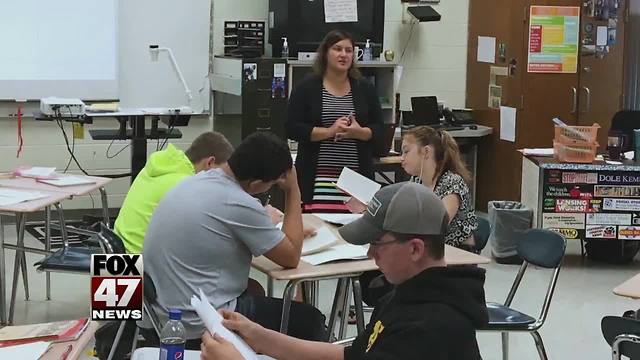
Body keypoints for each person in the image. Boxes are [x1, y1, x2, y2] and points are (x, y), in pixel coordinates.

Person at [199, 182, 489, 360]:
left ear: (415, 249)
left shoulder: (430, 329)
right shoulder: (405, 298)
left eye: (377, 243)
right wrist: (261, 337)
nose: (370, 253)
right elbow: (346, 355)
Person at [141, 132, 327, 347]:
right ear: (257, 184)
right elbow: (291, 256)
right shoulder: (240, 202)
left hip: (155, 317)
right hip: (194, 326)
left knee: (254, 288)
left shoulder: (198, 180)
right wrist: (293, 190)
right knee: (309, 320)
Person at [285, 29, 384, 213]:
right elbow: (291, 128)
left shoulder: (365, 89)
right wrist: (329, 132)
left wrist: (359, 132)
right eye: (337, 49)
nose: (343, 54)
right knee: (320, 230)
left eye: (348, 50)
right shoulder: (306, 88)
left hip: (357, 177)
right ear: (325, 52)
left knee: (355, 231)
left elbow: (380, 129)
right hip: (317, 177)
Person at [114, 131, 233, 254]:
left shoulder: (161, 165)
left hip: (115, 259)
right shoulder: (186, 184)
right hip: (138, 265)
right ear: (210, 162)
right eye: (221, 172)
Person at [400, 125, 479, 251]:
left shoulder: (452, 182)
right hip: (430, 249)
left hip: (457, 254)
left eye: (406, 151)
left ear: (426, 152)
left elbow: (437, 224)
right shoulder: (417, 180)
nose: (402, 158)